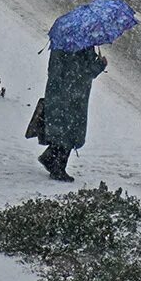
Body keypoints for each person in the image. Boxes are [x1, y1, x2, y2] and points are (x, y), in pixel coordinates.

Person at [38, 46, 107, 181]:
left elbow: (54, 68)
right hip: (75, 94)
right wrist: (101, 64)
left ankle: (51, 159)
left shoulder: (60, 44)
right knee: (72, 130)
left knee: (61, 127)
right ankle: (57, 167)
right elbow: (86, 71)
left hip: (56, 90)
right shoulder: (84, 46)